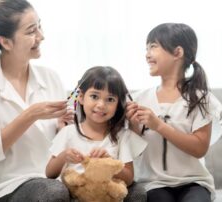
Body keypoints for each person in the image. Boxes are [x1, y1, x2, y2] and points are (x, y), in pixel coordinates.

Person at [0, 0, 73, 201]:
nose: (41, 36)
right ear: (6, 42)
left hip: (49, 180)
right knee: (53, 192)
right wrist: (30, 115)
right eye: (31, 31)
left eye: (39, 25)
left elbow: (58, 143)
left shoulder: (50, 78)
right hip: (4, 189)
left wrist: (63, 128)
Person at [126, 23, 222, 202]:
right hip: (153, 183)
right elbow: (133, 154)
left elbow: (199, 148)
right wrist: (133, 128)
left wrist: (159, 126)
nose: (147, 54)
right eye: (146, 48)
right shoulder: (138, 99)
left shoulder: (201, 99)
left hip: (195, 182)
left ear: (178, 52)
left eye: (153, 47)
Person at [46, 66, 148, 202]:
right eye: (94, 96)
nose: (101, 105)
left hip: (109, 196)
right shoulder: (68, 132)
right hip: (75, 196)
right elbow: (50, 173)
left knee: (139, 193)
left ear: (118, 104)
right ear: (81, 97)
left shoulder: (122, 136)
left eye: (110, 99)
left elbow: (129, 178)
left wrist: (109, 163)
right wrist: (64, 156)